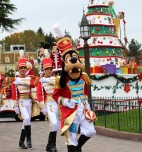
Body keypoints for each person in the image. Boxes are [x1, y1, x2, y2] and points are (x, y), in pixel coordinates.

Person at [52, 24, 96, 152]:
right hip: (70, 113)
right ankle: (75, 148)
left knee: (90, 131)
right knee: (71, 138)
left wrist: (87, 105)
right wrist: (66, 102)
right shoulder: (61, 80)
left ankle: (77, 147)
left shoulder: (84, 76)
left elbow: (86, 91)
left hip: (82, 110)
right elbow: (56, 96)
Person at [11, 50, 39, 149]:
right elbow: (14, 93)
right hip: (22, 101)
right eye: (21, 68)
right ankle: (29, 139)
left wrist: (22, 82)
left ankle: (21, 141)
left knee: (26, 121)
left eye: (24, 68)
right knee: (26, 119)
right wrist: (15, 105)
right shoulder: (15, 80)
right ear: (18, 69)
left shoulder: (28, 78)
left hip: (29, 101)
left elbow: (33, 84)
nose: (23, 70)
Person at [37, 58, 60, 152]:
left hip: (57, 104)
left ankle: (49, 145)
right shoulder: (41, 81)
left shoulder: (57, 79)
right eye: (47, 69)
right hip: (49, 103)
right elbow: (39, 94)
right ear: (44, 70)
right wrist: (42, 107)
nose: (49, 71)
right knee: (53, 123)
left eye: (50, 69)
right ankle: (53, 145)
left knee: (56, 126)